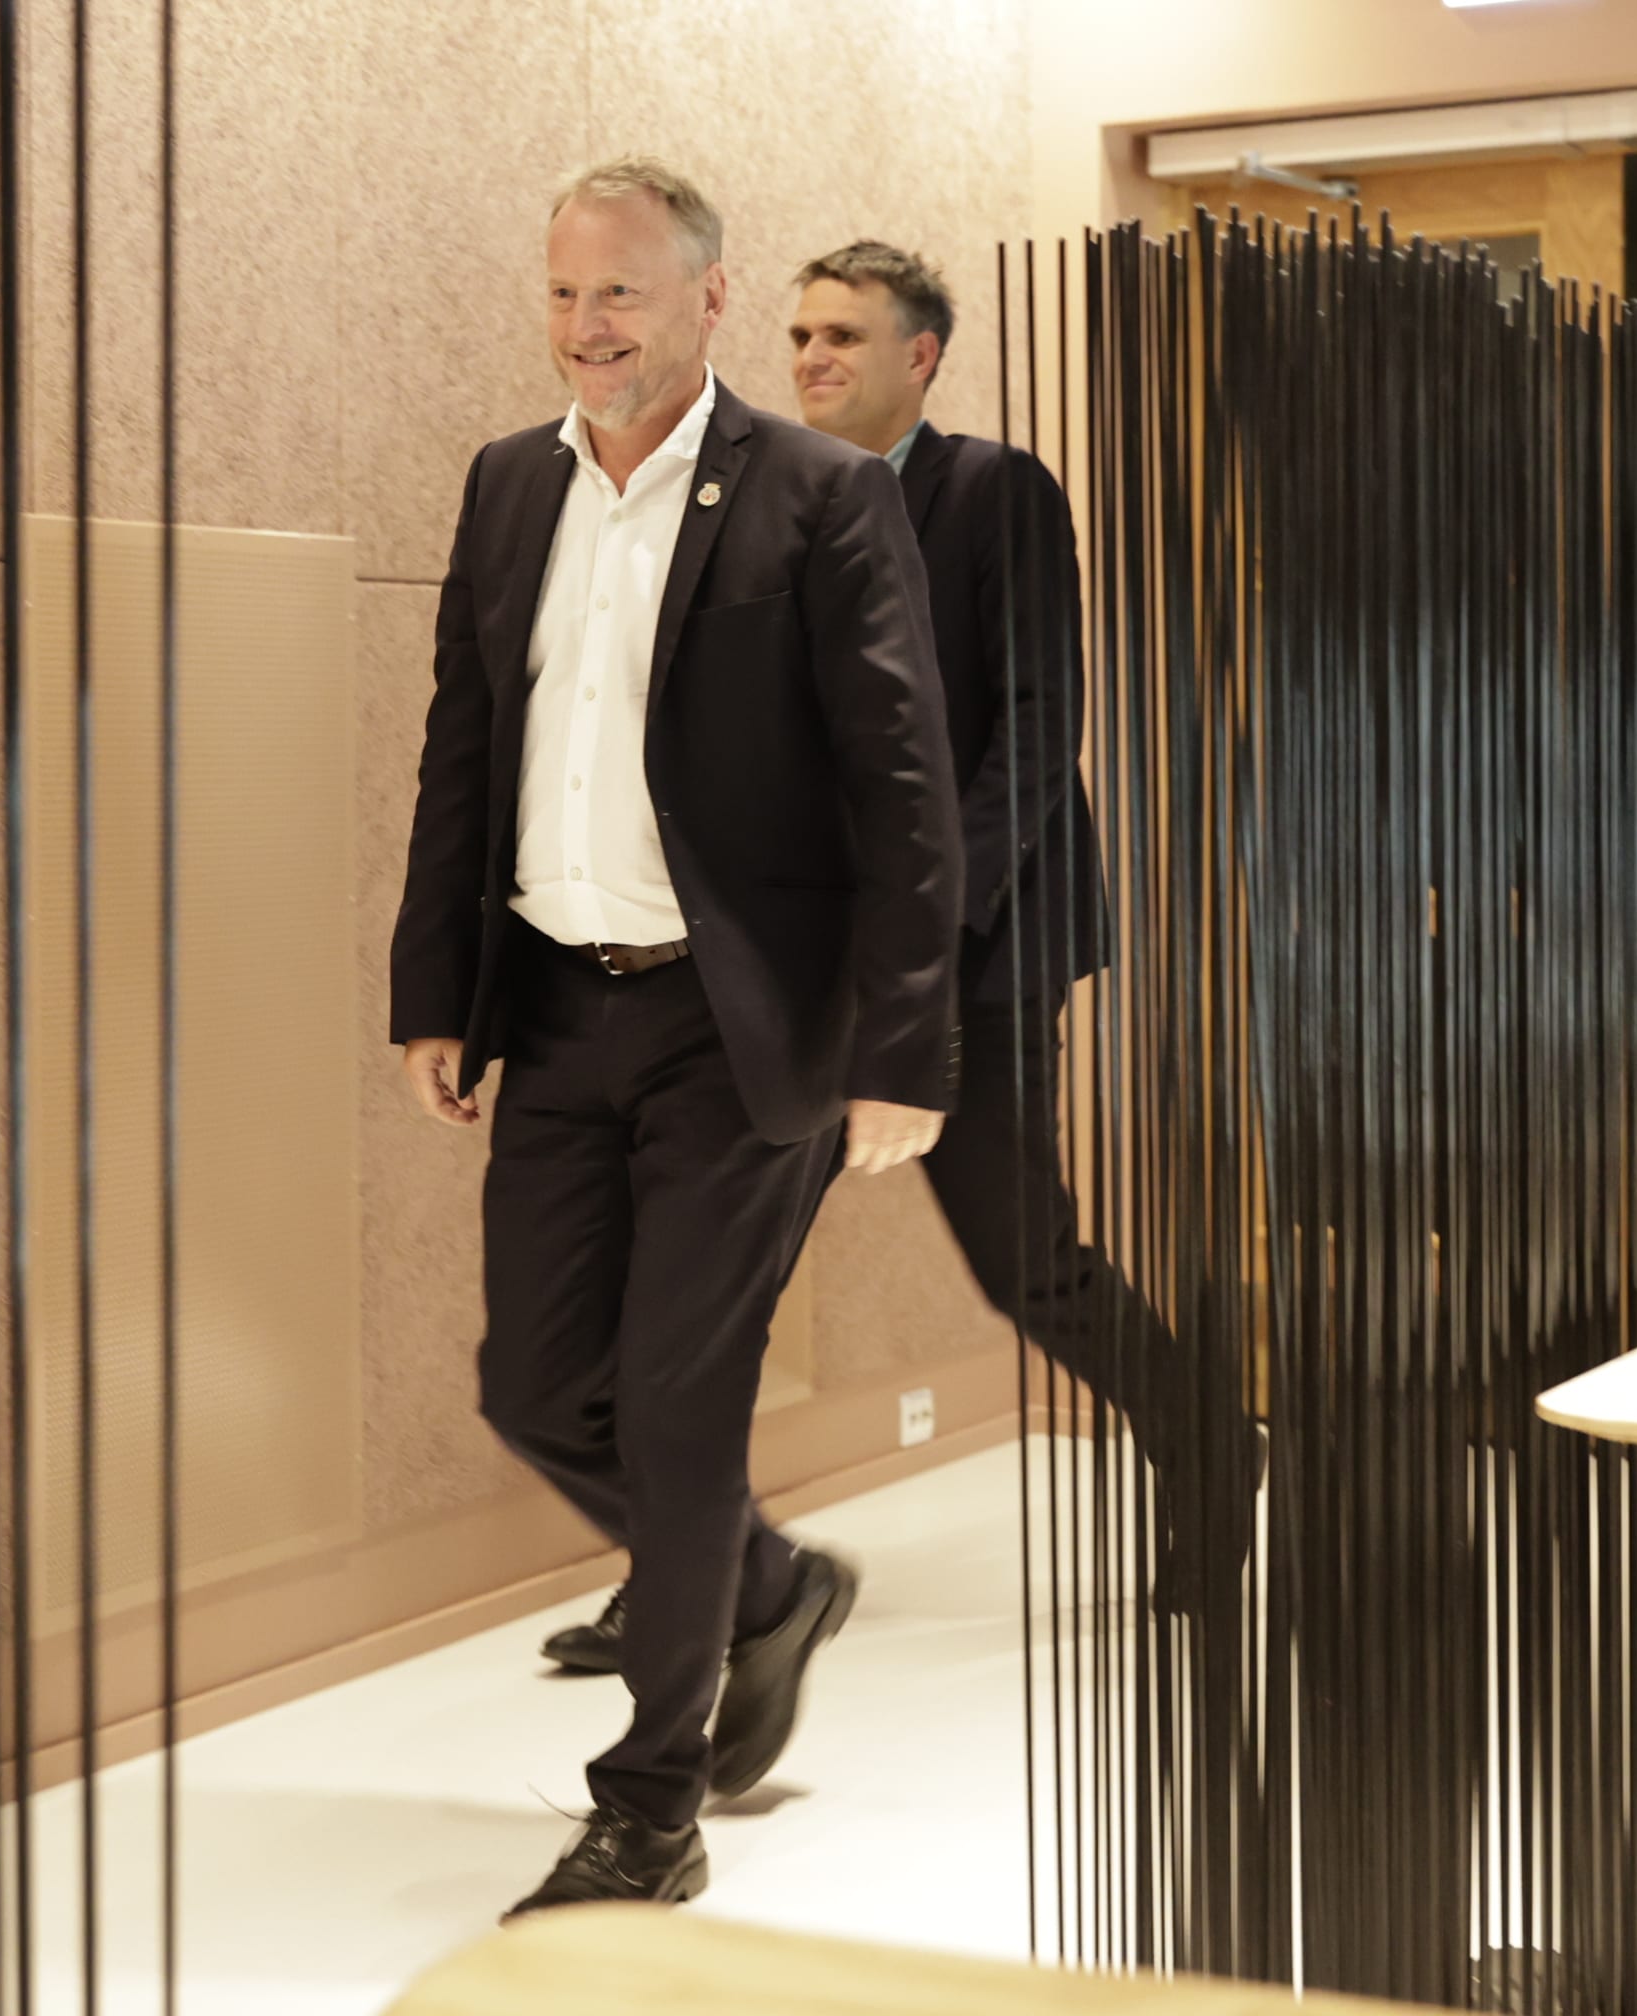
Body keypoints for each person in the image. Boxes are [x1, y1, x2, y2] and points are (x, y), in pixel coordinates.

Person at [535, 242, 1266, 1695]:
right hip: (794, 975)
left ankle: (1207, 1445)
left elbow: (1033, 733)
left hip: (967, 963)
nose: (812, 360)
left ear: (919, 357)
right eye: (802, 335)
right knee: (702, 1299)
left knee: (1029, 1267)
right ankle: (687, 1579)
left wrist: (916, 939)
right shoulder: (764, 494)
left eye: (845, 338)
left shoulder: (995, 494)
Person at [391, 163, 961, 1918]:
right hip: (558, 1006)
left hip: (741, 1027)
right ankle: (768, 1589)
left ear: (707, 299)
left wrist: (906, 1049)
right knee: (533, 1386)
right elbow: (464, 748)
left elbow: (902, 782)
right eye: (566, 295)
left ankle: (651, 1807)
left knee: (678, 1406)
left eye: (622, 294)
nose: (588, 328)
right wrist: (435, 991)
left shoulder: (820, 495)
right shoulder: (509, 484)